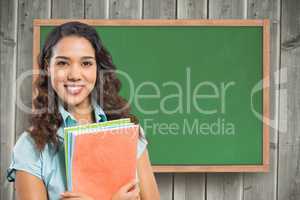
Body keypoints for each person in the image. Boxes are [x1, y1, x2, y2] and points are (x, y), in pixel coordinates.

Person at [6, 21, 160, 200]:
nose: (74, 75)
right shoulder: (30, 146)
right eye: (63, 63)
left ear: (98, 68)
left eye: (86, 63)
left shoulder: (128, 133)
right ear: (48, 67)